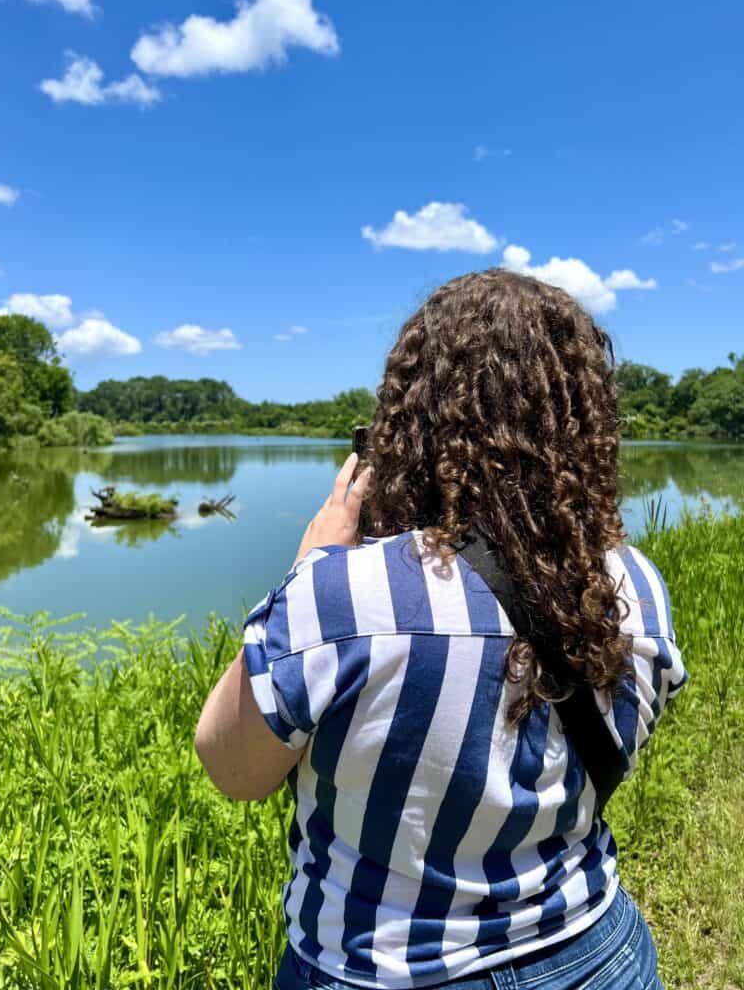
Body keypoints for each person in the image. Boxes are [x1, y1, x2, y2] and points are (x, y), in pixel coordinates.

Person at [194, 269, 689, 990]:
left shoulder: (341, 595)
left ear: (407, 427)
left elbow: (230, 769)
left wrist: (310, 566)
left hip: (378, 968)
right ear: (582, 424)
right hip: (596, 950)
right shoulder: (637, 585)